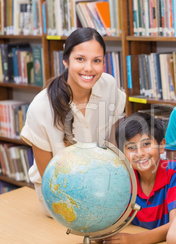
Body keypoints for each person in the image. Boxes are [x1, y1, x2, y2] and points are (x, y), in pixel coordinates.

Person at [21, 27, 126, 216]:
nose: (89, 68)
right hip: (60, 196)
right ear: (65, 60)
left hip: (101, 184)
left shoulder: (109, 85)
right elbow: (48, 177)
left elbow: (114, 145)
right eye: (80, 59)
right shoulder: (41, 106)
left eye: (97, 61)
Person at [103, 112, 176, 244]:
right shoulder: (125, 180)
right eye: (131, 148)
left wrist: (136, 240)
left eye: (146, 144)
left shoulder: (175, 172)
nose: (140, 153)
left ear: (161, 145)